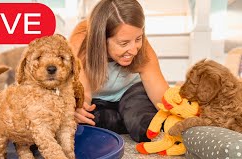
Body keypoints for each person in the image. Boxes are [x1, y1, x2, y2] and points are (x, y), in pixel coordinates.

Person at [69, 0, 169, 142]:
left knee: (145, 126)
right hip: (97, 100)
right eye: (124, 43)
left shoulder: (142, 48)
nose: (134, 50)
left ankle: (127, 119)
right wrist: (79, 108)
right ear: (102, 39)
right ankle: (121, 119)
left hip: (132, 92)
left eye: (138, 39)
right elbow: (83, 94)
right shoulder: (80, 44)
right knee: (85, 126)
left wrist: (182, 114)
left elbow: (162, 98)